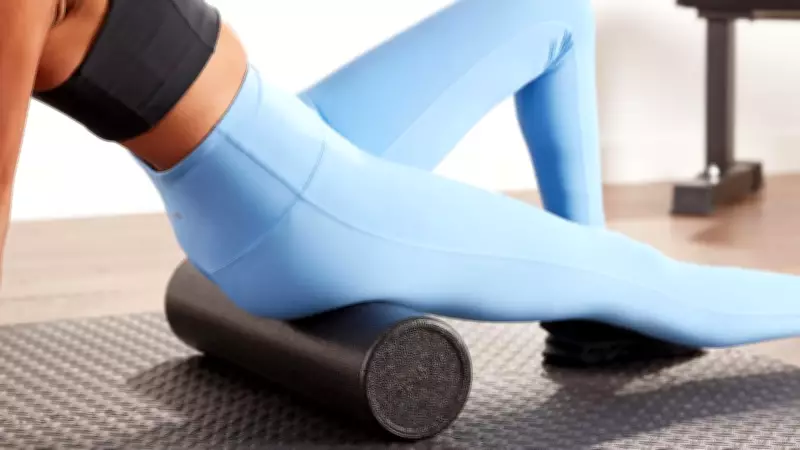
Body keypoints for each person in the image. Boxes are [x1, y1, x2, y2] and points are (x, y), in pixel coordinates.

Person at [2, 0, 798, 358]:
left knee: (551, 8)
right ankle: (604, 286)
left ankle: (586, 310)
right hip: (300, 216)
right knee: (647, 279)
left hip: (299, 134)